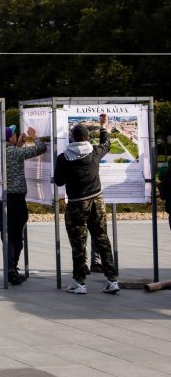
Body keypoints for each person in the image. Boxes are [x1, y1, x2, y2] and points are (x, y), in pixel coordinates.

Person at [55, 114, 119, 294]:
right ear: (87, 138)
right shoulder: (94, 152)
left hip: (76, 204)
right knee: (102, 239)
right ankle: (112, 280)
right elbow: (107, 145)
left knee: (78, 243)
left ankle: (80, 283)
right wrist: (103, 126)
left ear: (72, 138)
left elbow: (59, 182)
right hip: (97, 201)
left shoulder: (63, 158)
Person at [0, 124, 47, 285]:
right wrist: (33, 136)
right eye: (14, 134)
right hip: (16, 199)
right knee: (17, 236)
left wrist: (19, 144)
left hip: (2, 199)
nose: (16, 134)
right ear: (9, 137)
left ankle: (10, 267)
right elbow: (40, 149)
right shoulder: (12, 151)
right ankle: (12, 270)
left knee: (7, 235)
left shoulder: (0, 151)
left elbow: (14, 156)